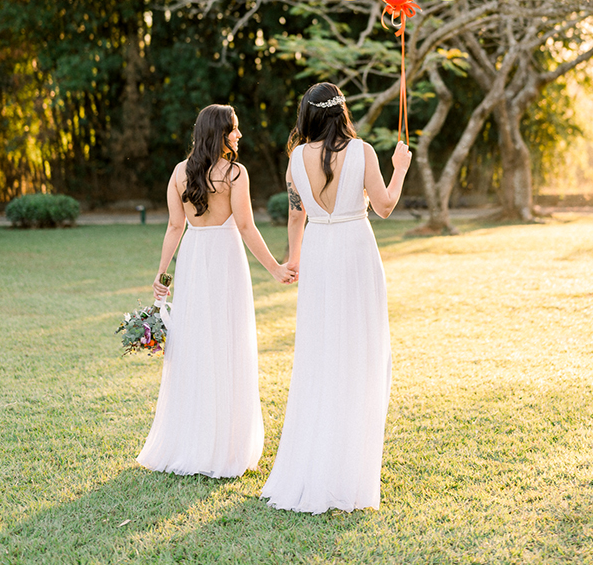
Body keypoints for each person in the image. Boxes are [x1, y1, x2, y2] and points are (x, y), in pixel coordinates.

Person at [262, 82, 412, 513]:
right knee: (360, 354)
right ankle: (348, 463)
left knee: (321, 354)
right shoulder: (362, 151)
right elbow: (383, 206)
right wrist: (399, 167)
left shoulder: (294, 158)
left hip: (319, 255)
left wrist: (295, 260)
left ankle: (318, 457)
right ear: (341, 113)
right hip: (355, 251)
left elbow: (296, 214)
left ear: (308, 115)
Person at [137, 103, 293, 478]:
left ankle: (193, 439)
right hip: (224, 259)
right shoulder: (235, 174)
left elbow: (176, 227)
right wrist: (275, 268)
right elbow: (245, 227)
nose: (239, 135)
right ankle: (223, 445)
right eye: (234, 130)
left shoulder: (179, 172)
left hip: (193, 257)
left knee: (196, 344)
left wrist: (162, 273)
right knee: (227, 342)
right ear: (218, 133)